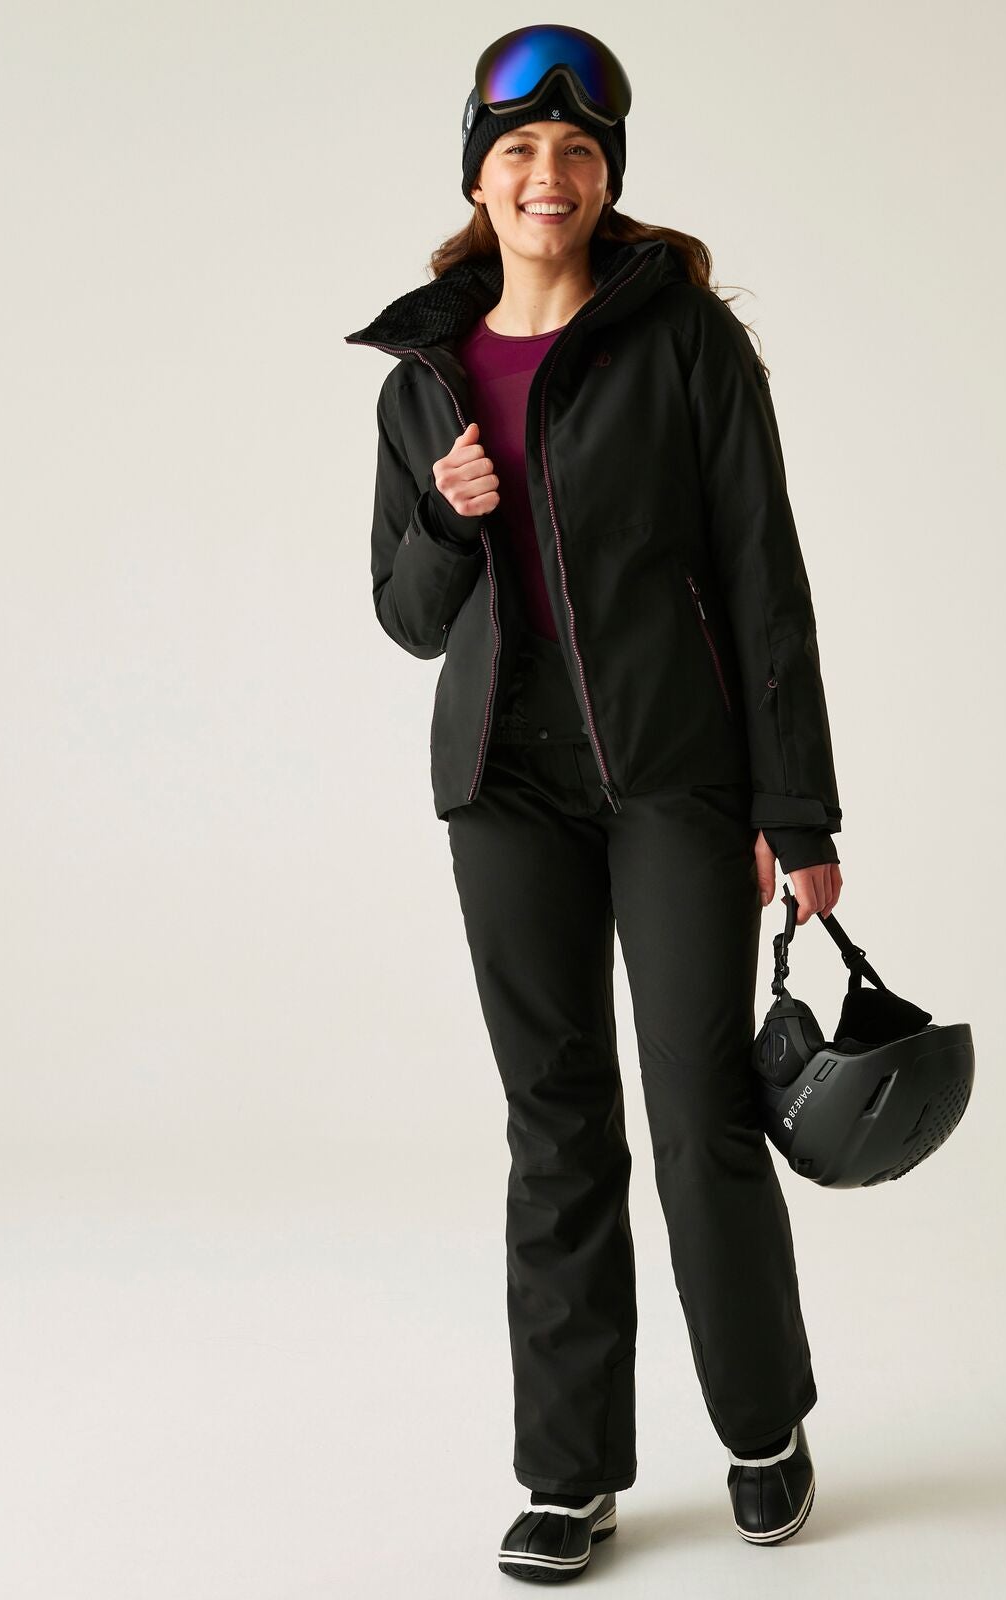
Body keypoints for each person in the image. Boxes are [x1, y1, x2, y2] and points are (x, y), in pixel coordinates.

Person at [344, 24, 837, 1579]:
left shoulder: (684, 341)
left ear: (607, 175)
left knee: (702, 1116)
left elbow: (763, 575)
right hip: (505, 789)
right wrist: (444, 519)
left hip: (674, 777)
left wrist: (800, 814)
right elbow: (406, 616)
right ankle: (569, 1476)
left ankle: (762, 1427)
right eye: (518, 152)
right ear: (477, 181)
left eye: (575, 151)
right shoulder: (425, 379)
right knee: (555, 1127)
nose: (546, 175)